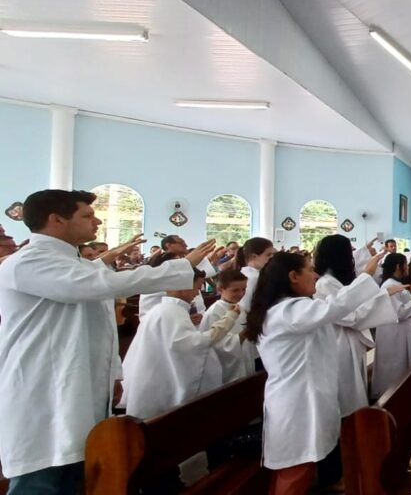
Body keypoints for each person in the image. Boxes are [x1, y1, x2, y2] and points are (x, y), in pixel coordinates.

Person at [0, 189, 214, 492]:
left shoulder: (75, 265)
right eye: (87, 215)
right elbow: (102, 283)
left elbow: (98, 319)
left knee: (76, 475)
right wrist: (181, 266)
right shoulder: (26, 263)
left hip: (77, 390)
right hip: (42, 393)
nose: (97, 220)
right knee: (42, 482)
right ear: (56, 219)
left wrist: (113, 375)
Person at [244, 250, 388, 494]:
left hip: (301, 399)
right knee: (295, 471)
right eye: (309, 270)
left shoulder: (289, 309)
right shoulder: (287, 312)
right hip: (295, 403)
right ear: (293, 277)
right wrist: (366, 276)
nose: (316, 274)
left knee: (302, 467)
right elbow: (335, 306)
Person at [121, 262, 241, 419]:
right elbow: (193, 345)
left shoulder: (169, 310)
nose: (197, 293)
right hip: (159, 386)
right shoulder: (170, 312)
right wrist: (227, 321)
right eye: (197, 288)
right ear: (183, 287)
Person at [314, 235, 401, 417]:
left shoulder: (334, 281)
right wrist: (381, 292)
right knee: (345, 399)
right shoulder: (325, 284)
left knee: (353, 393)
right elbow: (350, 316)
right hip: (338, 346)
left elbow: (354, 304)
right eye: (349, 252)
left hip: (347, 344)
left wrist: (382, 294)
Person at [371, 253, 411, 398]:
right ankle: (387, 398)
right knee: (393, 370)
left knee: (403, 370)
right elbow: (399, 313)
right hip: (393, 337)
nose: (407, 267)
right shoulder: (389, 286)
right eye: (405, 264)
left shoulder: (397, 284)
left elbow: (408, 311)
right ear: (398, 266)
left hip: (403, 334)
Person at [201, 269, 257, 383]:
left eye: (244, 289)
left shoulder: (240, 307)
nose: (241, 294)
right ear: (220, 289)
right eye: (235, 290)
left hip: (245, 361)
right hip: (226, 371)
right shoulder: (214, 312)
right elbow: (219, 346)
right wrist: (247, 332)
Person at [237, 237, 276, 312]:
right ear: (254, 256)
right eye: (268, 255)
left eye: (273, 255)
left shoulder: (255, 275)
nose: (272, 258)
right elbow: (245, 306)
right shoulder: (252, 278)